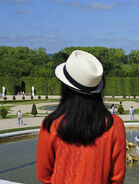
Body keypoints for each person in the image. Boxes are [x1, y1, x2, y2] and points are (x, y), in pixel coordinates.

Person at [36, 50, 126, 184]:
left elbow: (44, 175)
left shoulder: (52, 124)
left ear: (65, 87)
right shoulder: (114, 125)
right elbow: (117, 178)